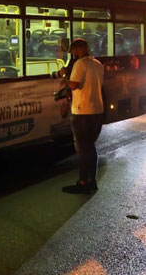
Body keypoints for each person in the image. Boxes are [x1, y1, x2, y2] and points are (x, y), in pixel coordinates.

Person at [62, 38, 105, 194]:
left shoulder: (80, 64)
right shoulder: (98, 64)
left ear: (78, 49)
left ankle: (82, 183)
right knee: (90, 147)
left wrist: (65, 77)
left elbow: (74, 84)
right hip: (97, 111)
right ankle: (91, 180)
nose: (73, 54)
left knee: (82, 148)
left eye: (73, 51)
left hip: (82, 111)